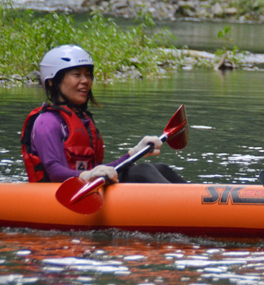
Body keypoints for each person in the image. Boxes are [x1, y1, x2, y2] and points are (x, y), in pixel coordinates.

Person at [20, 44, 186, 184]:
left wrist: (134, 152)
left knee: (161, 168)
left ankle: (204, 200)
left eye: (87, 75)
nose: (85, 81)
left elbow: (103, 171)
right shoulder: (46, 121)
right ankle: (194, 207)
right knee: (143, 170)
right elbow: (54, 172)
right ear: (52, 82)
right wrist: (86, 176)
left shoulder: (83, 120)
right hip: (58, 195)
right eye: (77, 74)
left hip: (87, 189)